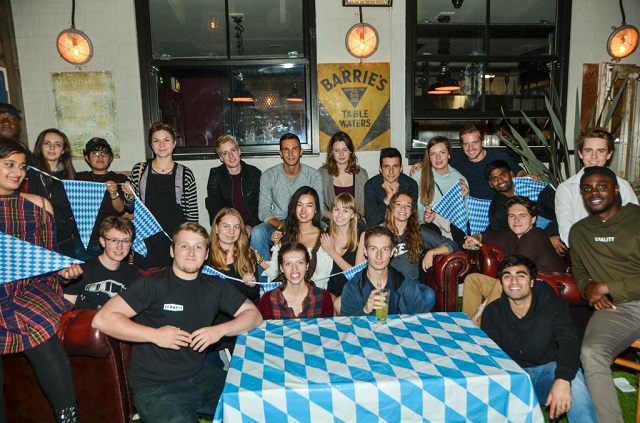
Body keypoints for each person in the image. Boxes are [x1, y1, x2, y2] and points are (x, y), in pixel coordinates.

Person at [92, 222, 263, 422]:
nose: (191, 252)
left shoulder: (215, 286)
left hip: (200, 376)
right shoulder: (151, 285)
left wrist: (219, 330)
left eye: (198, 247)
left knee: (254, 403)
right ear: (172, 250)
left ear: (206, 254)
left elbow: (254, 315)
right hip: (156, 388)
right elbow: (103, 319)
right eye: (184, 246)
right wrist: (155, 335)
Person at [0, 140, 81, 422]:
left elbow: (49, 259)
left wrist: (62, 270)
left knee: (38, 326)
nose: (18, 172)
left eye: (22, 166)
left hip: (28, 290)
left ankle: (68, 415)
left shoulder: (38, 208)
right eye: (9, 164)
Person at [481, 255, 596, 422]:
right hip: (512, 379)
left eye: (521, 275)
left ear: (532, 282)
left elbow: (569, 342)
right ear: (501, 283)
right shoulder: (493, 312)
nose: (513, 281)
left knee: (573, 378)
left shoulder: (552, 307)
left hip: (545, 374)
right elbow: (492, 357)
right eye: (507, 276)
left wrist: (563, 379)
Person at [569, 166, 640, 423]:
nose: (594, 193)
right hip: (619, 310)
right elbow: (578, 268)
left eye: (602, 186)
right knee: (591, 352)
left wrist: (606, 287)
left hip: (621, 296)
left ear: (616, 190)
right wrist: (588, 286)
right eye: (587, 189)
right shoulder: (579, 232)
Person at [461, 196, 564, 324]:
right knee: (473, 280)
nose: (516, 220)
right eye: (511, 216)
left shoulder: (535, 236)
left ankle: (486, 324)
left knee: (506, 279)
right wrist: (473, 239)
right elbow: (483, 236)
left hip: (543, 288)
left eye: (522, 216)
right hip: (520, 284)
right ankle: (471, 328)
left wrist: (482, 308)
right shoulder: (511, 235)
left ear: (533, 219)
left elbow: (513, 272)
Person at [123, 122, 198, 269]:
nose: (161, 145)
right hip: (146, 237)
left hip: (175, 237)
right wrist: (129, 195)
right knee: (147, 283)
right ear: (151, 144)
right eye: (156, 140)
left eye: (166, 140)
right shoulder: (139, 170)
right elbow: (130, 207)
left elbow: (192, 216)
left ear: (174, 143)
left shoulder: (185, 173)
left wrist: (189, 241)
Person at [250, 133, 323, 277]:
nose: (290, 154)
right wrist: (283, 226)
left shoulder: (313, 175)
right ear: (280, 153)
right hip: (278, 223)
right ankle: (264, 287)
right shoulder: (269, 175)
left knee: (328, 234)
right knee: (257, 232)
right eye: (286, 150)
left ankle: (318, 281)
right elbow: (263, 211)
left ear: (301, 152)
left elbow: (318, 211)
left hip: (306, 221)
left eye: (295, 149)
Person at [555, 127, 638, 246]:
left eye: (600, 151)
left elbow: (634, 222)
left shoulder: (622, 185)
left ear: (609, 154)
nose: (594, 157)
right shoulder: (567, 188)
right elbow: (566, 230)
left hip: (620, 250)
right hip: (585, 251)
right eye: (588, 150)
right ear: (580, 153)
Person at [341, 226, 428, 316]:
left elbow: (422, 320)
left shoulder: (405, 284)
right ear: (365, 251)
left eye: (385, 249)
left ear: (392, 252)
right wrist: (365, 310)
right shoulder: (353, 287)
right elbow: (346, 326)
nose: (379, 256)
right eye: (373, 249)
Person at [484, 159, 566, 255]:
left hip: (557, 228)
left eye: (503, 175)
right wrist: (546, 240)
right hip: (527, 242)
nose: (500, 180)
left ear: (511, 174)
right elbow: (508, 239)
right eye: (494, 179)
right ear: (490, 184)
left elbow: (562, 210)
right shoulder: (496, 210)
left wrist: (554, 234)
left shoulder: (533, 187)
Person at [259, 186, 332, 290]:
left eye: (309, 205)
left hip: (311, 295)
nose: (303, 210)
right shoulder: (284, 233)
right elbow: (275, 271)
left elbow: (322, 279)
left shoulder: (323, 239)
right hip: (283, 292)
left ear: (316, 210)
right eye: (299, 205)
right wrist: (257, 256)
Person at [63, 216, 139, 310]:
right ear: (103, 241)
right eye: (114, 241)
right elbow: (66, 311)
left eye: (125, 241)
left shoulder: (134, 273)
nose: (120, 247)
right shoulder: (81, 271)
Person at [75, 137, 130, 258]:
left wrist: (113, 193)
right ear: (86, 158)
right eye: (95, 153)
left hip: (111, 239)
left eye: (104, 153)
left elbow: (121, 209)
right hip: (82, 241)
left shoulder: (119, 179)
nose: (100, 157)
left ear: (110, 158)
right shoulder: (77, 178)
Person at [32, 128, 82, 258]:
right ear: (40, 146)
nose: (52, 147)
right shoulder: (27, 173)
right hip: (34, 240)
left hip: (63, 240)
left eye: (58, 144)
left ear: (63, 150)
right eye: (47, 143)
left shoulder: (70, 176)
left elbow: (74, 208)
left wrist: (68, 223)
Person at [411, 136, 468, 241]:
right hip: (428, 227)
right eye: (433, 154)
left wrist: (462, 199)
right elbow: (412, 209)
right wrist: (424, 217)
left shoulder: (459, 180)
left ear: (449, 154)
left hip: (452, 228)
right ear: (429, 157)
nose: (438, 158)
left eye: (442, 152)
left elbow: (464, 219)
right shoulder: (418, 175)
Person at [258, 242, 334, 319]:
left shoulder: (323, 297)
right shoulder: (268, 300)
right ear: (281, 268)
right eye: (288, 264)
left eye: (300, 262)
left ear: (307, 265)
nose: (294, 268)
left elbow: (327, 329)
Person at [451, 124, 525, 199]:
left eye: (475, 142)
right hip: (471, 207)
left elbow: (518, 171)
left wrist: (526, 177)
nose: (470, 148)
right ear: (461, 145)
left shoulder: (498, 156)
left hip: (499, 205)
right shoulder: (456, 160)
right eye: (466, 144)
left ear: (482, 142)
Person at [205, 135, 261, 232]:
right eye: (225, 153)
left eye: (233, 150)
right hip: (229, 225)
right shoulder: (216, 174)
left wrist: (250, 226)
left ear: (239, 151)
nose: (231, 156)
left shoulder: (254, 173)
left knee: (257, 234)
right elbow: (214, 205)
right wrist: (229, 227)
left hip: (252, 225)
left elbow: (260, 204)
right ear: (221, 157)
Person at [209, 207, 260, 303]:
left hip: (241, 312)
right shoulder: (205, 256)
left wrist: (252, 286)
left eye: (236, 227)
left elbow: (253, 296)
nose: (231, 231)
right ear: (216, 228)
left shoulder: (248, 255)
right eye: (226, 226)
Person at [318, 131, 368, 225]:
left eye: (345, 150)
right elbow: (318, 205)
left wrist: (356, 216)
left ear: (351, 151)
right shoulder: (322, 173)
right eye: (337, 151)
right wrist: (334, 217)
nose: (341, 154)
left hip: (354, 220)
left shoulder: (361, 174)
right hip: (331, 220)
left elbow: (365, 205)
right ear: (332, 153)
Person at [364, 147, 418, 226]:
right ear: (380, 169)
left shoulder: (411, 184)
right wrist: (388, 198)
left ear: (401, 168)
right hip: (380, 229)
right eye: (386, 166)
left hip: (405, 228)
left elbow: (412, 218)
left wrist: (396, 197)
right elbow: (372, 221)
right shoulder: (371, 185)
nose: (391, 171)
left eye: (395, 166)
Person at [321, 193, 360, 297]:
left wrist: (332, 253)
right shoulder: (325, 234)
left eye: (345, 211)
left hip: (352, 292)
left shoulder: (361, 237)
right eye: (336, 209)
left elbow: (357, 276)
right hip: (329, 292)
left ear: (353, 215)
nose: (340, 215)